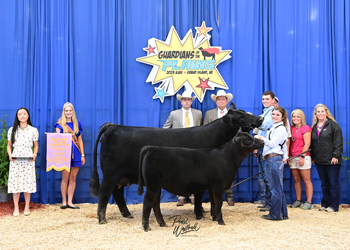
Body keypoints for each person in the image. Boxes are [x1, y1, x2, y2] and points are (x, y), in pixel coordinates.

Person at [163, 90, 202, 206]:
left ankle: (192, 195)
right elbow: (165, 129)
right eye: (184, 99)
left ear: (191, 102)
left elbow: (201, 130)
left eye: (189, 100)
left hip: (194, 146)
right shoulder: (174, 114)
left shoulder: (198, 114)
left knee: (194, 171)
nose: (187, 102)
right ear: (181, 101)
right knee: (178, 171)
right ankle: (180, 196)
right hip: (178, 146)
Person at [255, 106, 289, 220]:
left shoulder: (280, 129)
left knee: (275, 188)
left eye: (277, 115)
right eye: (273, 114)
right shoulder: (276, 127)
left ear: (283, 117)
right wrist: (285, 156)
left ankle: (275, 214)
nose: (274, 116)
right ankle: (282, 213)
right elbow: (284, 145)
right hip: (274, 158)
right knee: (277, 187)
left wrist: (261, 138)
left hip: (273, 159)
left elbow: (273, 144)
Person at [203, 89, 235, 206]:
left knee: (229, 171)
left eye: (223, 99)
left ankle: (229, 195)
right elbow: (204, 130)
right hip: (213, 147)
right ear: (216, 102)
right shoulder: (209, 114)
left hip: (229, 147)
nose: (221, 101)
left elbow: (237, 129)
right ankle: (215, 195)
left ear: (227, 101)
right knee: (213, 171)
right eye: (219, 99)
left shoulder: (232, 113)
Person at [311, 104, 343, 212]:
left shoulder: (333, 125)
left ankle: (334, 206)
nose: (320, 113)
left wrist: (336, 156)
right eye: (318, 112)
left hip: (332, 160)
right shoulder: (314, 127)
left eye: (322, 111)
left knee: (333, 183)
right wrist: (313, 158)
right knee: (324, 184)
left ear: (326, 113)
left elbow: (338, 143)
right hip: (319, 160)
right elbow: (313, 145)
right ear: (315, 114)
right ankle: (325, 204)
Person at [7, 107, 39, 216]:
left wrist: (34, 154)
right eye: (20, 114)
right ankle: (16, 207)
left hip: (28, 160)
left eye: (24, 114)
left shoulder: (33, 130)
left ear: (28, 116)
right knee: (15, 183)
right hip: (15, 160)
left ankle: (26, 206)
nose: (22, 116)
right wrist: (10, 154)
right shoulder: (12, 130)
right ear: (17, 116)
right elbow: (8, 145)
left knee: (27, 183)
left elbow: (36, 145)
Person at [55, 102, 85, 209]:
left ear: (73, 112)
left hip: (76, 153)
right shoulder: (59, 124)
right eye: (66, 110)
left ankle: (70, 201)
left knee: (73, 178)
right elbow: (57, 139)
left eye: (70, 110)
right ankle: (63, 201)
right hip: (64, 154)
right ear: (64, 112)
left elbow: (80, 141)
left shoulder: (77, 124)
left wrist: (82, 155)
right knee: (65, 178)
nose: (68, 112)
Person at [253, 91, 275, 211]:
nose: (265, 101)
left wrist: (252, 120)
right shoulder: (264, 113)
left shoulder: (272, 113)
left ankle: (271, 203)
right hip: (262, 147)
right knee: (263, 176)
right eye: (263, 99)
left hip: (268, 148)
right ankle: (266, 201)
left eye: (267, 99)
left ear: (273, 100)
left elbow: (264, 126)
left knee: (268, 176)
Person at [288, 109, 313, 210]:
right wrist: (289, 156)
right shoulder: (290, 129)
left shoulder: (305, 128)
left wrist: (302, 156)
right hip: (292, 157)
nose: (295, 118)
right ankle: (298, 200)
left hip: (303, 157)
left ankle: (309, 201)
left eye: (298, 117)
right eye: (294, 116)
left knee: (306, 180)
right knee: (296, 180)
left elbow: (307, 143)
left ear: (302, 118)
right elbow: (289, 143)